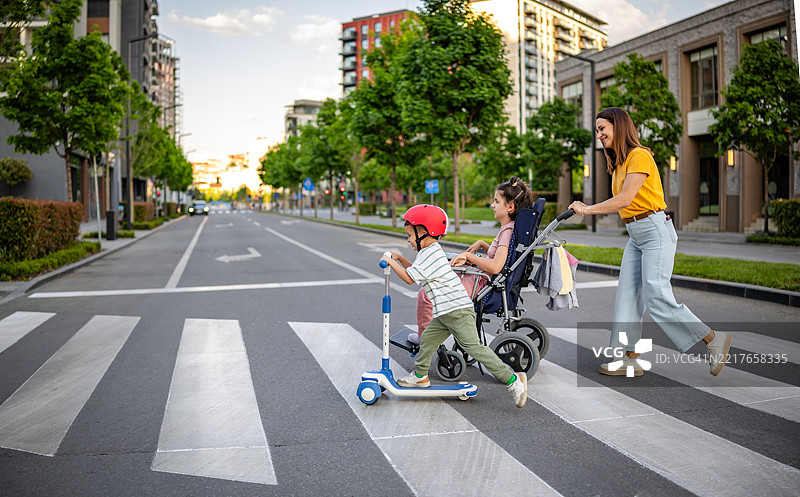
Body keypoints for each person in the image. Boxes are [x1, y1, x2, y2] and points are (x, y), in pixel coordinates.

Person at [569, 107, 731, 377]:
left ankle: (713, 339)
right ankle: (627, 358)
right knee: (628, 297)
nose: (598, 135)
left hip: (655, 230)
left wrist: (587, 210)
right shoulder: (618, 163)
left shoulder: (639, 156)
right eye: (597, 130)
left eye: (602, 129)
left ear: (618, 127)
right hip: (636, 234)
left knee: (656, 296)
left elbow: (625, 199)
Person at [380, 204, 529, 407]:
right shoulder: (428, 251)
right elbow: (415, 270)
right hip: (446, 313)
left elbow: (409, 278)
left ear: (423, 232)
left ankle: (513, 380)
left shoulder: (431, 254)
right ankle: (420, 376)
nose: (408, 239)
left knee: (475, 349)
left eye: (409, 235)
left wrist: (390, 261)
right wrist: (399, 258)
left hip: (457, 311)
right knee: (428, 340)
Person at [409, 177, 534, 344]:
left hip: (483, 284)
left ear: (510, 207)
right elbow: (499, 257)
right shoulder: (508, 229)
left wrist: (468, 256)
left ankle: (423, 337)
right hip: (483, 280)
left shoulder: (507, 232)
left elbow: (496, 267)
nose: (492, 205)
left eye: (496, 201)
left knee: (426, 293)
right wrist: (482, 244)